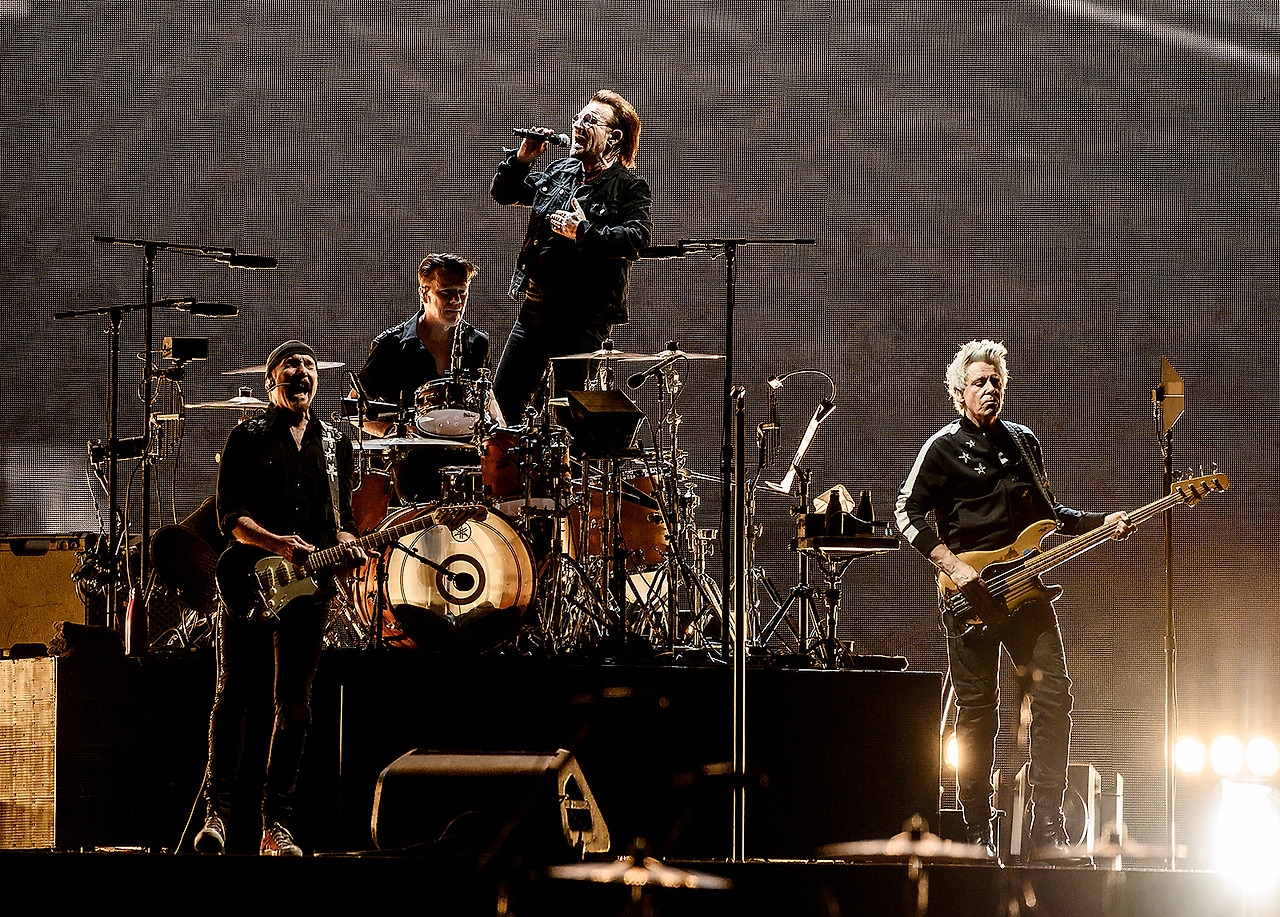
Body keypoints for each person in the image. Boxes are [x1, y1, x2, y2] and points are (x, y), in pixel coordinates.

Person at [894, 340, 1132, 864]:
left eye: (996, 382)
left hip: (1026, 592)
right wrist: (953, 566)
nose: (990, 390)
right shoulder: (941, 448)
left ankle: (1046, 821)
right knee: (979, 714)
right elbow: (905, 513)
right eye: (979, 382)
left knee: (1054, 696)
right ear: (959, 392)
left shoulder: (1023, 442)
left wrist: (1102, 522)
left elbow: (1050, 513)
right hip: (971, 595)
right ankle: (976, 827)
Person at [195, 340, 365, 857]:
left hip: (308, 589)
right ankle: (218, 816)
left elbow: (339, 518)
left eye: (309, 366)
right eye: (291, 365)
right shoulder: (247, 436)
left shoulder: (334, 443)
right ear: (273, 380)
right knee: (234, 697)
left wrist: (347, 545)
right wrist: (277, 544)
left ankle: (277, 828)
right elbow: (230, 518)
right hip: (250, 580)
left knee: (294, 706)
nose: (302, 372)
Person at [489, 89, 652, 424]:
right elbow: (505, 193)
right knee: (501, 409)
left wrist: (583, 231)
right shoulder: (561, 171)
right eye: (578, 117)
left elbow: (637, 238)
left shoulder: (628, 186)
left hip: (582, 318)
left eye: (590, 121)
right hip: (534, 311)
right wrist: (522, 159)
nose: (578, 124)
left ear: (613, 137)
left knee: (569, 417)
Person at [355, 252, 502, 435]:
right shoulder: (391, 345)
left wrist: (503, 434)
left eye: (462, 292)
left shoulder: (478, 343)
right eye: (446, 292)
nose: (456, 300)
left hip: (465, 448)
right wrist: (393, 431)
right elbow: (353, 409)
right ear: (424, 294)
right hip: (411, 450)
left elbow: (488, 398)